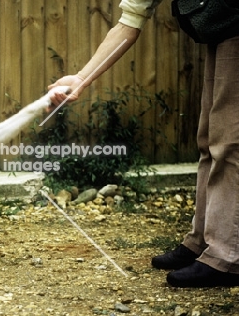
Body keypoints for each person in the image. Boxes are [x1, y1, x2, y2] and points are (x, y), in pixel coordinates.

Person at [48, 0, 239, 288]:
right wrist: (81, 79)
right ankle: (203, 241)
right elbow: (129, 22)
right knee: (209, 139)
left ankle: (227, 256)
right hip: (222, 29)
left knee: (229, 143)